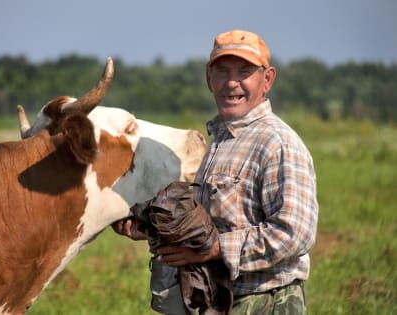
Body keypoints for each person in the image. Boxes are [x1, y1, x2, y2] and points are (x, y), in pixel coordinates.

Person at [113, 29, 318, 315]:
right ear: (209, 79)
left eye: (244, 71)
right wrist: (152, 230)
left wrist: (215, 249)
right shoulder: (223, 140)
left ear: (267, 79)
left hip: (266, 302)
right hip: (222, 300)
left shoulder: (277, 143)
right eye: (221, 71)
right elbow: (215, 220)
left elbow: (293, 234)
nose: (231, 83)